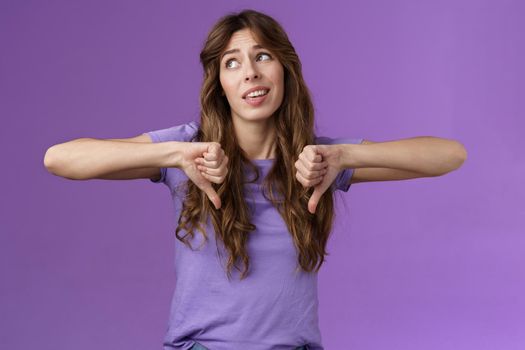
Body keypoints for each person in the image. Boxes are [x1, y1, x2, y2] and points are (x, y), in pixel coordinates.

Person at [43, 9, 467, 350]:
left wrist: (345, 155)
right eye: (232, 63)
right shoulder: (186, 150)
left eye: (262, 55)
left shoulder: (318, 160)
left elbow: (450, 155)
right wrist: (173, 154)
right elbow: (59, 159)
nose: (250, 72)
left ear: (285, 69)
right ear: (220, 85)